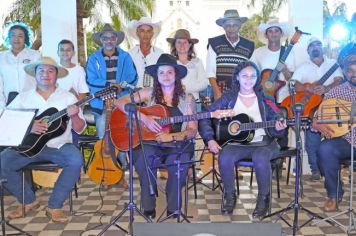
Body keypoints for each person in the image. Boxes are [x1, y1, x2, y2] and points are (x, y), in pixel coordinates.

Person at [0, 57, 86, 223]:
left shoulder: (68, 97)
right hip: (28, 147)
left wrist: (75, 116)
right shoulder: (23, 98)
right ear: (35, 74)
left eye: (50, 71)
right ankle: (28, 201)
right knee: (3, 161)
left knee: (75, 160)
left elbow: (79, 128)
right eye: (41, 70)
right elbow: (8, 121)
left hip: (59, 146)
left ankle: (55, 206)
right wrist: (29, 126)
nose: (45, 74)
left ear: (56, 75)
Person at [198, 61, 287, 218]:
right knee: (225, 156)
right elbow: (205, 115)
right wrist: (210, 139)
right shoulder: (228, 99)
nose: (249, 79)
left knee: (260, 157)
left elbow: (278, 116)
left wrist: (279, 127)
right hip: (237, 144)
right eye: (244, 75)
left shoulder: (265, 98)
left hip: (264, 143)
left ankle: (263, 199)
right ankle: (229, 196)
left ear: (257, 78)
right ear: (237, 77)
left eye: (253, 76)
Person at [114, 54, 197, 219]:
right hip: (149, 142)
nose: (165, 76)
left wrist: (172, 136)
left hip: (176, 144)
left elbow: (192, 130)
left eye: (169, 72)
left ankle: (173, 208)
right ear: (157, 77)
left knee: (178, 165)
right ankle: (149, 206)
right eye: (162, 73)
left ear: (176, 75)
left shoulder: (187, 99)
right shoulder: (148, 93)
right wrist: (143, 117)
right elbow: (119, 103)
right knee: (145, 161)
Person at [86, 24, 137, 177]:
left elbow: (133, 77)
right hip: (101, 103)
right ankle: (107, 174)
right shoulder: (93, 58)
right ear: (100, 40)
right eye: (105, 38)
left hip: (121, 101)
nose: (109, 40)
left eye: (112, 37)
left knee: (121, 136)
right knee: (103, 137)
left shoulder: (125, 57)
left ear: (117, 40)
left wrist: (120, 87)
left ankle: (120, 170)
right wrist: (109, 86)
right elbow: (90, 80)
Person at [292, 37, 343, 181]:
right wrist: (306, 87)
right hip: (312, 109)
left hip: (332, 107)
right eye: (312, 46)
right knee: (311, 141)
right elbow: (293, 84)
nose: (315, 47)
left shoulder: (333, 64)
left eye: (318, 44)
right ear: (308, 50)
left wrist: (326, 88)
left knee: (335, 136)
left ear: (322, 48)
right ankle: (315, 170)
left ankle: (333, 170)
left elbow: (339, 81)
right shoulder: (303, 67)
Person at [313, 42, 356, 212]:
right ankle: (333, 194)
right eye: (350, 71)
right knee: (325, 149)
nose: (354, 74)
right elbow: (318, 116)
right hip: (346, 141)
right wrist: (316, 122)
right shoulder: (336, 92)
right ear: (345, 73)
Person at [206, 9, 254, 101]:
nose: (231, 28)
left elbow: (251, 72)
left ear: (240, 26)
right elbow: (210, 71)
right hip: (220, 92)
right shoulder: (214, 43)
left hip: (242, 93)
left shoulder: (249, 45)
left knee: (241, 116)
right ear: (223, 27)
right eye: (228, 25)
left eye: (235, 25)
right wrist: (217, 93)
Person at [251, 19, 295, 104]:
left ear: (281, 34)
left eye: (276, 31)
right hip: (263, 98)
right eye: (270, 31)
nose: (273, 34)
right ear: (266, 35)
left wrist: (285, 70)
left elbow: (292, 79)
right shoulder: (257, 53)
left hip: (284, 99)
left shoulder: (289, 53)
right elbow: (251, 74)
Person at [0, 22, 41, 108]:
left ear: (25, 38)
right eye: (13, 35)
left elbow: (40, 79)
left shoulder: (35, 55)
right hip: (8, 105)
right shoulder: (1, 57)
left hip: (31, 104)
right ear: (9, 38)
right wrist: (2, 107)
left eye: (20, 36)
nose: (16, 39)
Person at [167, 28, 209, 110]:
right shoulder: (170, 63)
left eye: (185, 42)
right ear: (174, 45)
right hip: (174, 104)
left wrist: (185, 88)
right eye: (179, 42)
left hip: (195, 103)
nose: (182, 45)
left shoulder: (197, 62)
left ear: (190, 45)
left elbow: (204, 83)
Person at [128, 17, 163, 88]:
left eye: (148, 31)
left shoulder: (160, 54)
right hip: (135, 95)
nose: (145, 34)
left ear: (152, 34)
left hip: (155, 95)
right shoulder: (130, 54)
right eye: (142, 31)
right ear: (137, 33)